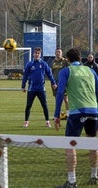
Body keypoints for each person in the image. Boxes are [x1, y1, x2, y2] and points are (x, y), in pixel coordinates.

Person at [54, 48, 98, 188]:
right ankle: (94, 176)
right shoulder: (91, 71)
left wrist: (56, 115)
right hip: (94, 110)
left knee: (70, 145)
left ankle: (72, 181)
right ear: (81, 58)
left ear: (67, 59)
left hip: (77, 112)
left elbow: (60, 93)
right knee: (93, 142)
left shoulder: (66, 71)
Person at [21, 47, 57, 128]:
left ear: (40, 54)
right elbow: (25, 76)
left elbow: (49, 74)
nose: (37, 55)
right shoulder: (29, 64)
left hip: (41, 89)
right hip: (31, 89)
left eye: (38, 53)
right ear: (33, 54)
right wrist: (23, 86)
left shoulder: (44, 64)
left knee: (44, 105)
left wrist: (53, 83)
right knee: (28, 105)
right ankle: (26, 122)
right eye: (35, 53)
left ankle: (47, 122)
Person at [51, 48, 70, 120]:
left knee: (66, 99)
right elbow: (51, 73)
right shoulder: (53, 61)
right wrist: (53, 82)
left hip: (63, 83)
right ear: (55, 53)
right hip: (55, 84)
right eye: (56, 52)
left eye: (59, 52)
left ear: (61, 53)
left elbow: (69, 70)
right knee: (57, 100)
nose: (58, 53)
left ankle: (68, 115)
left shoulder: (65, 61)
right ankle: (57, 115)